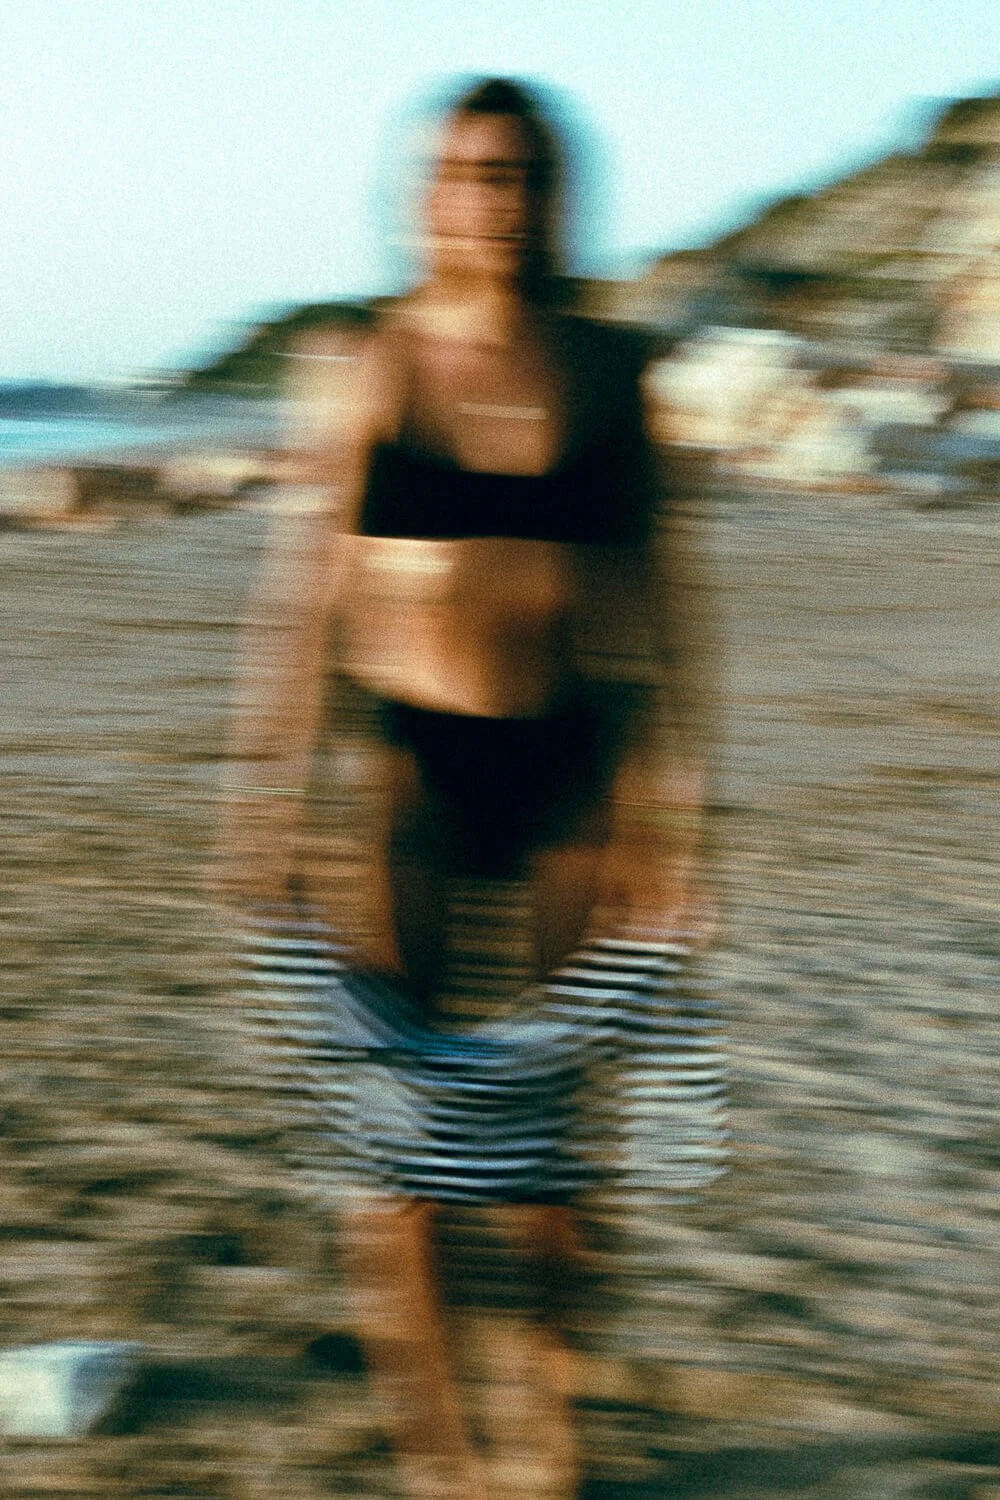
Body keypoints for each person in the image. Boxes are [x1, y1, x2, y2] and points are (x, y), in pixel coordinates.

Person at [215, 76, 711, 1500]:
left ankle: (545, 1433)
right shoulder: (368, 362)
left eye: (526, 176)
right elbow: (303, 595)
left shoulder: (614, 369)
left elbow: (670, 609)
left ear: (561, 198)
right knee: (406, 1136)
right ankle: (441, 1454)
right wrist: (263, 799)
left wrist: (686, 820)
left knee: (561, 1139)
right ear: (428, 196)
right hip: (406, 769)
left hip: (577, 768)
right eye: (472, 174)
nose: (498, 201)